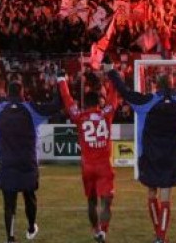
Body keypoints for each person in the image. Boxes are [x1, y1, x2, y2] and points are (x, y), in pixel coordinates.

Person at [106, 59, 176, 243]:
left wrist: (111, 72)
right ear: (172, 85)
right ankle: (161, 237)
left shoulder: (146, 102)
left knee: (151, 193)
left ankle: (159, 235)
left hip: (149, 156)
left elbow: (124, 91)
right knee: (165, 197)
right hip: (172, 157)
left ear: (156, 86)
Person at [0, 69, 62, 243]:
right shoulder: (31, 109)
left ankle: (10, 238)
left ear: (7, 93)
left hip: (7, 163)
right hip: (27, 163)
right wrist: (60, 82)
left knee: (9, 202)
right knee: (29, 196)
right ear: (23, 93)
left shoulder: (0, 109)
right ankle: (31, 227)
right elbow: (56, 105)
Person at [57, 71, 118, 242]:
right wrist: (112, 75)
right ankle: (104, 231)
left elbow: (68, 100)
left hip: (88, 167)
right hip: (104, 165)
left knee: (91, 202)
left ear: (86, 104)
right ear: (99, 103)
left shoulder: (79, 116)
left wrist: (62, 80)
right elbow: (114, 97)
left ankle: (96, 230)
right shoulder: (105, 114)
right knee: (106, 202)